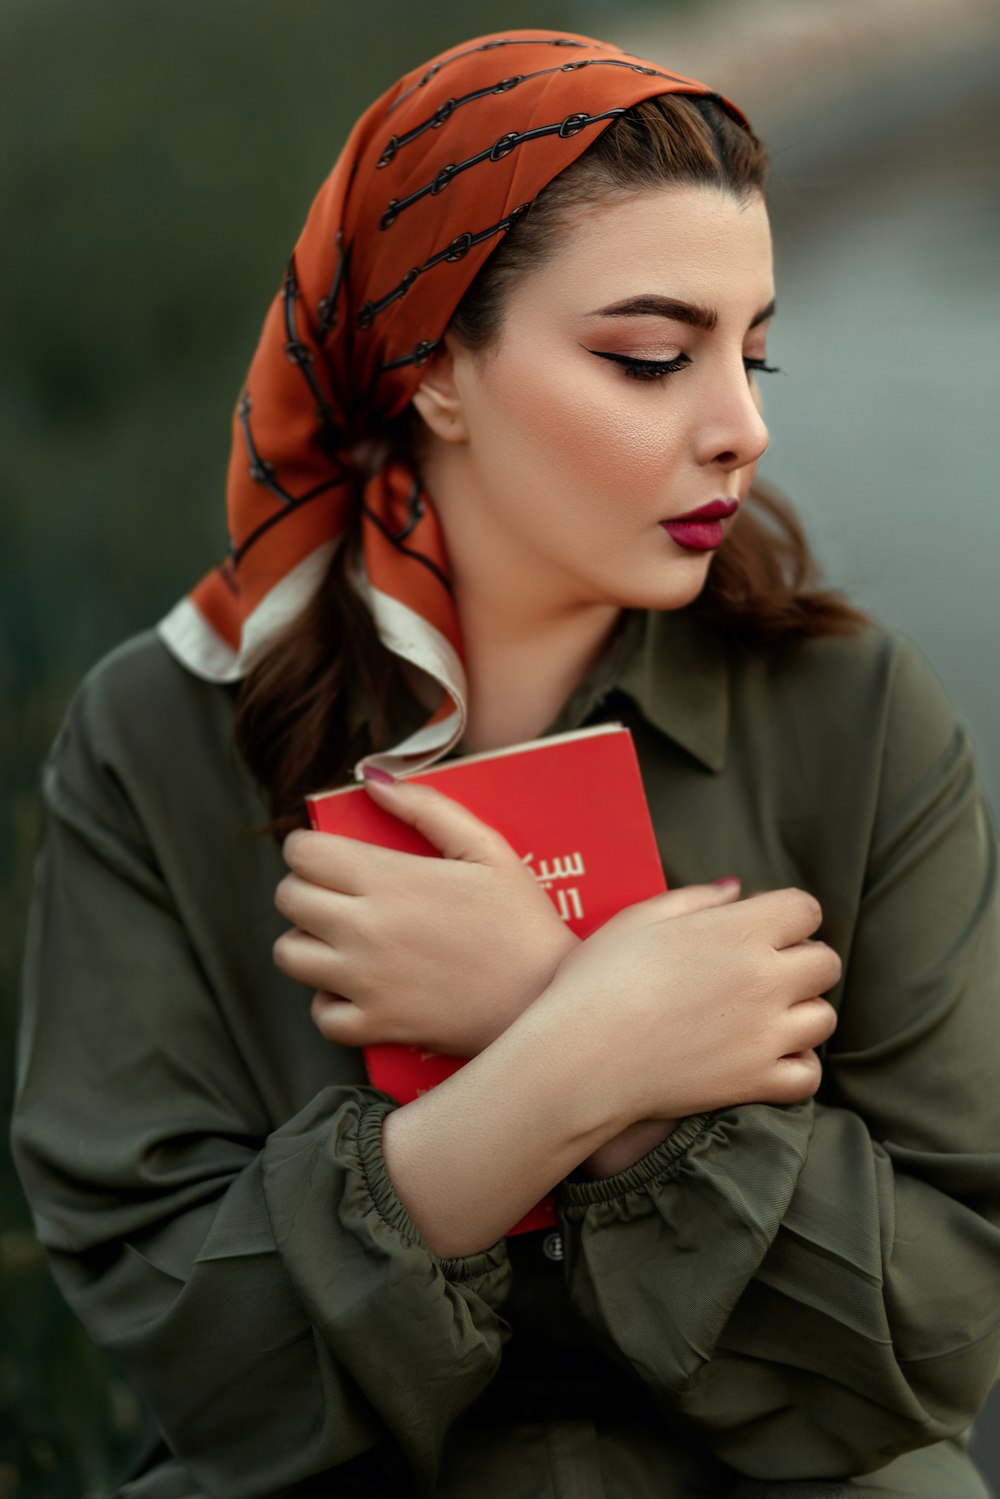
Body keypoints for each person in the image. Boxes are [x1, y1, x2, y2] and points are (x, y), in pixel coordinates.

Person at [11, 26, 1000, 1499]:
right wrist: (573, 1061)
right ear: (430, 369)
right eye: (652, 359)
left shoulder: (854, 716)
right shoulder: (159, 734)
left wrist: (568, 1034)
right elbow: (203, 1361)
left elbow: (937, 1337)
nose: (743, 427)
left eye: (754, 349)